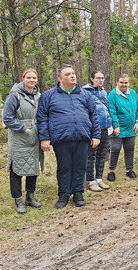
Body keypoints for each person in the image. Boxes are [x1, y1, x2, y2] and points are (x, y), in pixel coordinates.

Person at [37, 64, 100, 209]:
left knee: (80, 166)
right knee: (64, 167)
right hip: (61, 138)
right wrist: (44, 138)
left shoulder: (85, 94)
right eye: (67, 74)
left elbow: (93, 116)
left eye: (73, 73)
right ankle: (64, 194)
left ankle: (78, 193)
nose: (72, 76)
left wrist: (96, 135)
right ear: (60, 79)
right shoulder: (49, 96)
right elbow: (42, 118)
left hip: (82, 137)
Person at [3, 69, 43, 213]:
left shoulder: (39, 96)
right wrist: (23, 128)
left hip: (34, 137)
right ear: (23, 79)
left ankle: (30, 198)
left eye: (34, 77)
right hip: (19, 138)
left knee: (33, 167)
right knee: (17, 170)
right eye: (29, 78)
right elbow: (7, 118)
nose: (32, 80)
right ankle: (18, 200)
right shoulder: (15, 96)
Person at [107, 74, 138, 181]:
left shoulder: (133, 93)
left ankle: (129, 170)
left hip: (131, 128)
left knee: (130, 148)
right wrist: (116, 126)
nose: (124, 84)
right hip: (118, 128)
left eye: (126, 82)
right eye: (122, 82)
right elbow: (112, 112)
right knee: (115, 149)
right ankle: (111, 171)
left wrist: (137, 122)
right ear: (117, 82)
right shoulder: (113, 95)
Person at [82, 71, 112, 192]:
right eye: (98, 78)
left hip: (106, 127)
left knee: (102, 154)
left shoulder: (104, 92)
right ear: (92, 79)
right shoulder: (85, 92)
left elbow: (108, 109)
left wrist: (113, 124)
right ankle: (91, 180)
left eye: (102, 78)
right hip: (93, 128)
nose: (100, 80)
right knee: (91, 155)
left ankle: (99, 178)